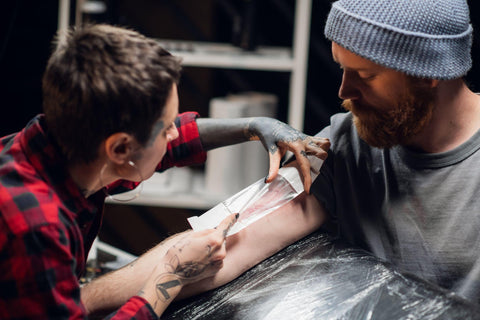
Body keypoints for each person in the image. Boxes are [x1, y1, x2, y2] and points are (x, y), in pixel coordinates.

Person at [0, 24, 330, 319]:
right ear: (118, 150)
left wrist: (251, 127)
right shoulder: (36, 228)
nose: (174, 133)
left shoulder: (52, 145)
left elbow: (156, 147)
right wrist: (171, 273)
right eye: (167, 127)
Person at [180, 0, 480, 306]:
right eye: (341, 67)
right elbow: (224, 248)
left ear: (427, 72)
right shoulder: (346, 142)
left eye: (365, 75)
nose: (344, 91)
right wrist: (136, 293)